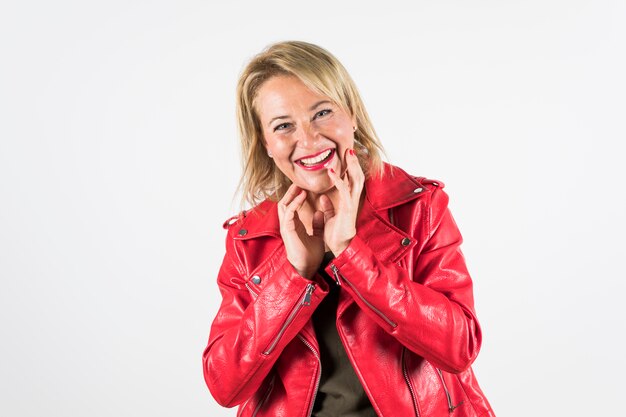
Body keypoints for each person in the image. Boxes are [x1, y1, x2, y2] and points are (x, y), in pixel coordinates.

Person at [202, 40, 495, 417]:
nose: (307, 140)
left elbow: (460, 347)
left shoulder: (417, 207)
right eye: (283, 126)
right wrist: (294, 275)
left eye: (322, 112)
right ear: (266, 143)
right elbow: (225, 386)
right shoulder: (248, 240)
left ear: (352, 114)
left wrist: (351, 253)